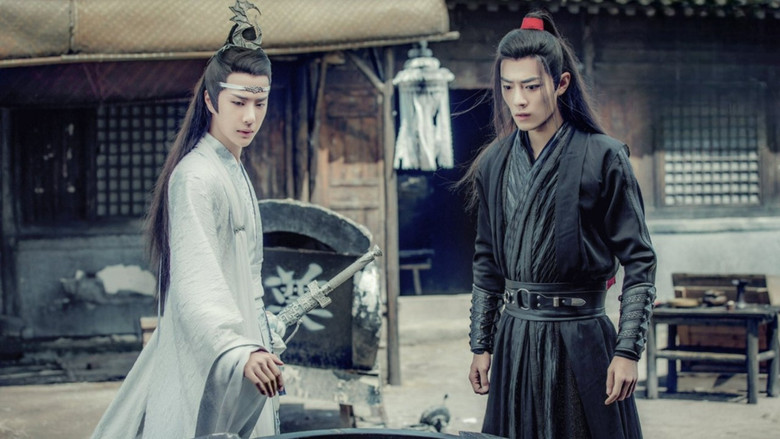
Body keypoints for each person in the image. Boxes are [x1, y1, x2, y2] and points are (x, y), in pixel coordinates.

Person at [91, 2, 286, 438]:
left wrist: (261, 329)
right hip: (212, 347)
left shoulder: (232, 168)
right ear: (211, 100)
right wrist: (236, 346)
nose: (250, 116)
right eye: (238, 102)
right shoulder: (196, 175)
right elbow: (196, 283)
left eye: (260, 103)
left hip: (240, 344)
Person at [463, 9, 656, 439]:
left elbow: (640, 261)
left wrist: (628, 350)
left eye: (531, 86)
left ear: (561, 83)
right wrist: (481, 343)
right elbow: (487, 261)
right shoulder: (494, 163)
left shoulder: (604, 156)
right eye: (508, 87)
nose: (519, 100)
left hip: (583, 339)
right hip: (515, 339)